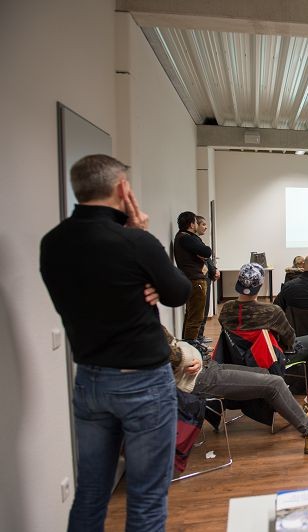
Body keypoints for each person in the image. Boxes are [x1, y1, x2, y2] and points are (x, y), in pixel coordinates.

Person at [40, 154, 191, 531]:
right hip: (143, 383)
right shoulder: (134, 242)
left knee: (91, 492)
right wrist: (142, 237)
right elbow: (178, 291)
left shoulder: (53, 242)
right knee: (146, 498)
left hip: (89, 380)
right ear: (123, 189)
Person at [167, 328, 308, 455]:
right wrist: (190, 356)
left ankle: (302, 415)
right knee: (275, 383)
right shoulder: (148, 334)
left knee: (265, 373)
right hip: (199, 379)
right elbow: (176, 357)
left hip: (206, 368)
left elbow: (179, 349)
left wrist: (193, 355)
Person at [221, 263, 308, 406]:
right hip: (270, 360)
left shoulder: (226, 309)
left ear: (238, 281)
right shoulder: (272, 311)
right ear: (260, 284)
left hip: (237, 359)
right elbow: (290, 340)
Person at [174, 211, 213, 350]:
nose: (198, 225)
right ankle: (192, 348)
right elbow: (207, 251)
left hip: (191, 280)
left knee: (191, 315)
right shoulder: (186, 238)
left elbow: (204, 254)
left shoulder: (183, 237)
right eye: (196, 222)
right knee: (196, 316)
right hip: (195, 281)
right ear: (191, 225)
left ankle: (188, 346)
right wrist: (203, 252)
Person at [195, 215, 219, 345]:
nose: (206, 227)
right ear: (195, 225)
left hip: (206, 278)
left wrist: (214, 270)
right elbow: (205, 256)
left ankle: (200, 336)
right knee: (199, 310)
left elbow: (207, 259)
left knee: (205, 309)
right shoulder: (192, 243)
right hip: (199, 280)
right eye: (203, 224)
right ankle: (197, 338)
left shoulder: (198, 241)